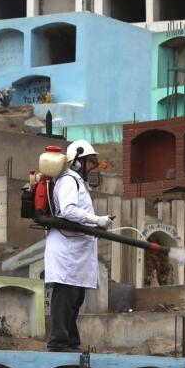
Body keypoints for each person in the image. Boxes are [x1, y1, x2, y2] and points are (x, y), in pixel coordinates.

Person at [44, 139, 112, 352]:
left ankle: (71, 342)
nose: (93, 167)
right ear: (77, 162)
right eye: (91, 162)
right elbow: (68, 210)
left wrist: (96, 224)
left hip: (75, 252)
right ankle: (58, 342)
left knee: (74, 300)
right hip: (67, 252)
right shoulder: (68, 181)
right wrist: (95, 219)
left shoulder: (78, 182)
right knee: (64, 297)